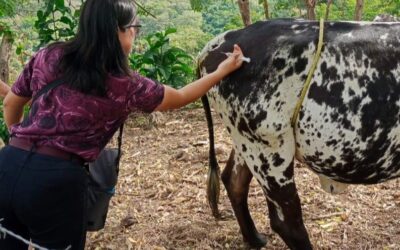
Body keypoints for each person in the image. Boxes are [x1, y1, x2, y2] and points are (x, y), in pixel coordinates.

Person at [0, 0, 244, 249]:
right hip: (56, 182)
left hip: (6, 166)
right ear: (116, 30)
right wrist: (221, 71)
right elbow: (179, 97)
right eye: (134, 27)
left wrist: (18, 144)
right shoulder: (125, 84)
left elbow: (11, 104)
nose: (135, 34)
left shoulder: (49, 55)